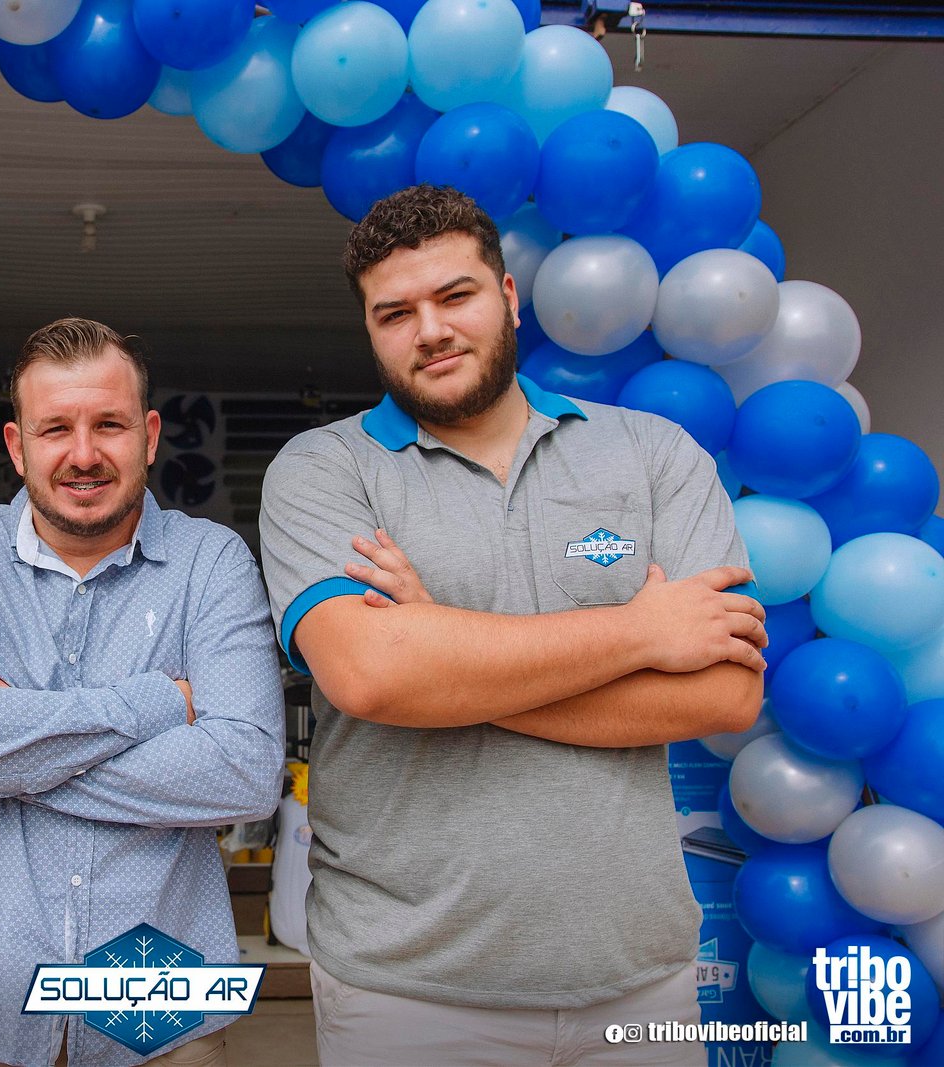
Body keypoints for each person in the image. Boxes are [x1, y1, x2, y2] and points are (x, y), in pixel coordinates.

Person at [258, 186, 769, 1067]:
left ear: (507, 296)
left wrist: (438, 648)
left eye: (454, 296)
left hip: (639, 977)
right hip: (407, 988)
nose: (430, 331)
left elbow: (725, 695)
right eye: (395, 313)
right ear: (370, 329)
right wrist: (640, 632)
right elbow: (372, 677)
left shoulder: (652, 454)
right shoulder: (325, 469)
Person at [0, 318, 285, 1067]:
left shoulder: (213, 560)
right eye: (56, 428)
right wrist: (157, 705)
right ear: (17, 446)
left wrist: (4, 754)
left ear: (150, 435)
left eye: (109, 424)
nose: (84, 454)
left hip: (164, 1015)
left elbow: (248, 771)